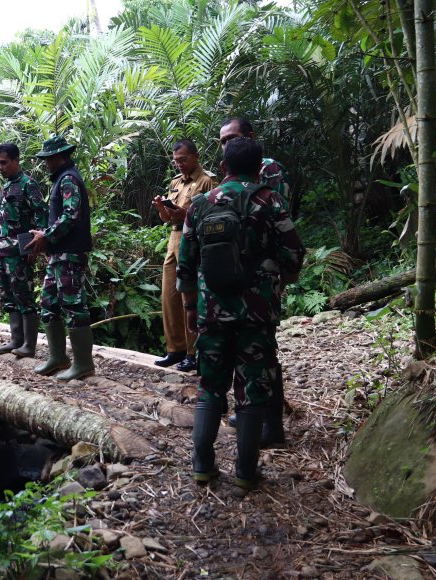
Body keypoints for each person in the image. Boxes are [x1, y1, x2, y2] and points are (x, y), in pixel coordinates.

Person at [177, 137, 304, 490]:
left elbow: (185, 265)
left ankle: (203, 465)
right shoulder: (270, 200)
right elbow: (294, 254)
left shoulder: (201, 203)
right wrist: (278, 280)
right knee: (252, 389)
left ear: (223, 168)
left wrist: (191, 308)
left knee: (209, 386)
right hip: (256, 314)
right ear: (258, 166)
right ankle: (246, 472)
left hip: (211, 311)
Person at [220, 117, 294, 447]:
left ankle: (271, 425)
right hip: (233, 273)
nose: (225, 145)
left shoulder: (269, 170)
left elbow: (276, 217)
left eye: (231, 138)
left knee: (263, 352)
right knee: (240, 347)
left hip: (261, 270)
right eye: (222, 141)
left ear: (250, 137)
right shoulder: (230, 175)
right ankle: (249, 410)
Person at [26, 135, 94, 381]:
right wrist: (44, 235)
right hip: (58, 254)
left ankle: (84, 363)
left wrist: (46, 236)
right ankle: (58, 357)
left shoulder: (68, 179)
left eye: (47, 159)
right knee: (49, 304)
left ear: (58, 157)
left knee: (73, 305)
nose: (45, 164)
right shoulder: (61, 179)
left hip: (70, 253)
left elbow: (70, 215)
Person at [152, 139, 218, 373]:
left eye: (183, 160)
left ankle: (194, 352)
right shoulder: (175, 182)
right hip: (174, 240)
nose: (179, 164)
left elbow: (214, 217)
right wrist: (163, 210)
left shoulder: (207, 181)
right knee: (169, 297)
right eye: (176, 161)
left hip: (194, 242)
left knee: (190, 298)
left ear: (195, 157)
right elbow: (168, 219)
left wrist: (186, 214)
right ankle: (175, 349)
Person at [0, 143, 49, 357]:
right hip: (4, 251)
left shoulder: (28, 185)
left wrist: (37, 247)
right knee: (8, 296)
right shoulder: (6, 187)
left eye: (4, 162)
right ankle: (15, 340)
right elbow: (2, 223)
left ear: (15, 160)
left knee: (23, 296)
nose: (0, 167)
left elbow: (42, 216)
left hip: (21, 251)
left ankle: (29, 345)